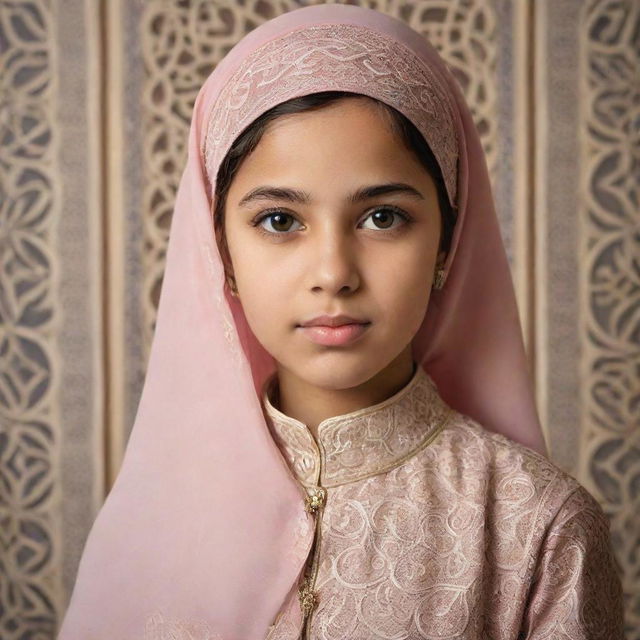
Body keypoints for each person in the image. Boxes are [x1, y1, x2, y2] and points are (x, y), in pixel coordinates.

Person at [58, 5, 624, 639]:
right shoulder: (152, 522)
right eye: (279, 221)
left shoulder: (537, 526)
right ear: (222, 254)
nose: (333, 272)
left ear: (446, 244)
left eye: (382, 217)